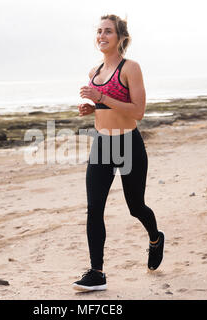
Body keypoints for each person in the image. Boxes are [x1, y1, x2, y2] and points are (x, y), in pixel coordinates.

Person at [73, 14, 164, 292]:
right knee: (94, 209)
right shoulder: (94, 72)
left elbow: (137, 111)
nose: (102, 35)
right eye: (99, 31)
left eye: (108, 31)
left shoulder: (130, 68)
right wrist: (94, 109)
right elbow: (108, 108)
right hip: (102, 143)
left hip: (128, 144)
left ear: (120, 37)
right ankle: (97, 272)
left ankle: (155, 237)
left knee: (135, 206)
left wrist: (101, 99)